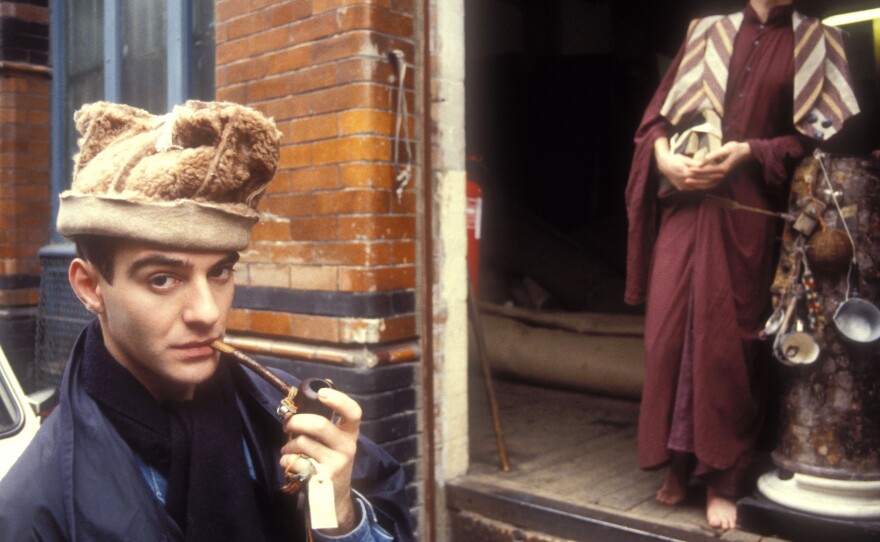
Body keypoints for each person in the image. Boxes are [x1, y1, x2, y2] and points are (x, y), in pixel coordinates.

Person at [0, 100, 413, 541]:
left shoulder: (280, 410)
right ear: (89, 287)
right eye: (162, 279)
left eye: (220, 271)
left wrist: (340, 515)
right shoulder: (32, 511)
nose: (208, 313)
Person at [624, 0, 859, 530]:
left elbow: (822, 140)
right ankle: (678, 461)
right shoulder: (708, 31)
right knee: (667, 338)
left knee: (726, 342)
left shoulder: (815, 42)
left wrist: (749, 151)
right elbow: (655, 122)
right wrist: (664, 160)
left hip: (746, 216)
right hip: (686, 210)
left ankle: (722, 479)